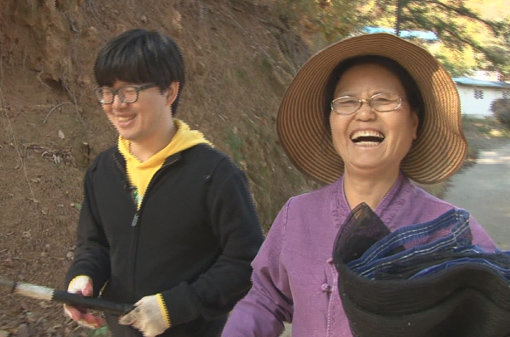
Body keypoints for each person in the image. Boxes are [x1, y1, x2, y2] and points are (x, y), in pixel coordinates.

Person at [221, 32, 497, 337]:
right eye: (347, 102)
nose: (364, 113)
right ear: (331, 123)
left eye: (383, 100)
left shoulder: (452, 229)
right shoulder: (297, 215)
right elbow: (265, 298)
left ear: (414, 124)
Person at [63, 28, 264, 337]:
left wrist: (176, 306)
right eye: (107, 91)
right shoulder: (102, 171)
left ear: (169, 92)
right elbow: (95, 243)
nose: (116, 104)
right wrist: (82, 277)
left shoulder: (214, 174)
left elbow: (246, 262)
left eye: (129, 90)